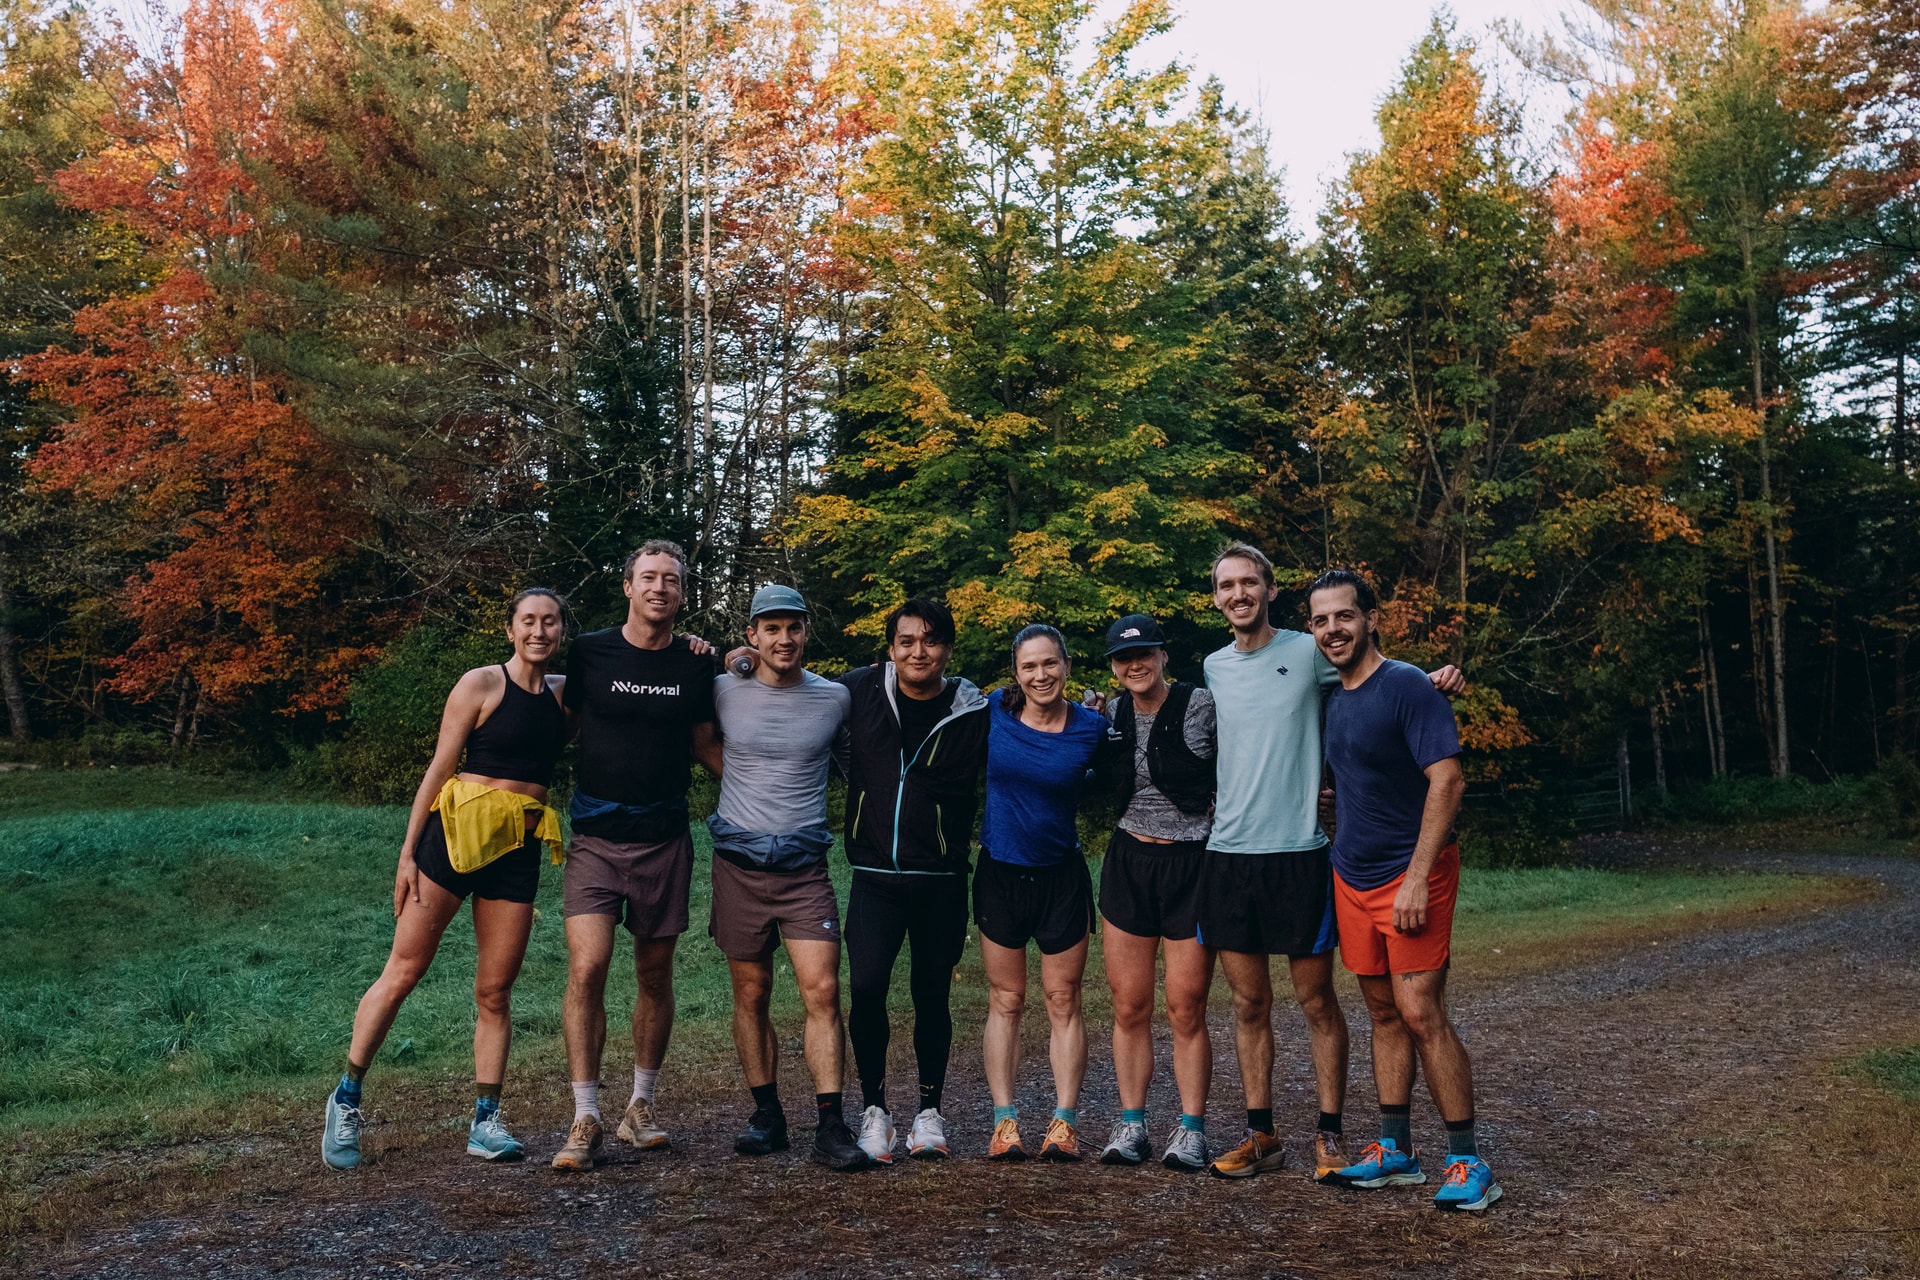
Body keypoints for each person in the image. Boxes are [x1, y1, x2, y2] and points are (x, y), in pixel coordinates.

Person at [1200, 542, 1464, 1182]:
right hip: (1230, 855)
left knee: (1322, 1002)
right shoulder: (1210, 667)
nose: (1239, 593)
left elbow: (1379, 679)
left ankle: (1331, 1135)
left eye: (1249, 582)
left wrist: (1437, 678)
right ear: (1216, 597)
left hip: (1303, 855)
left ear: (1268, 590)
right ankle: (1263, 1136)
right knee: (1248, 1004)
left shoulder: (1307, 650)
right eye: (1226, 585)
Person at [322, 588, 570, 1170]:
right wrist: (407, 855)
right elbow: (439, 769)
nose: (538, 631)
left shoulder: (565, 698)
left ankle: (485, 1122)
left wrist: (728, 657)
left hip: (519, 844)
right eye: (527, 621)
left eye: (549, 622)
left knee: (495, 991)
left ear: (561, 631)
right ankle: (347, 1096)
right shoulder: (480, 685)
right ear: (510, 630)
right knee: (405, 969)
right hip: (453, 837)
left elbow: (634, 677)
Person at [1308, 569, 1500, 1212]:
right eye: (1321, 620)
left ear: (1371, 619)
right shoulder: (1333, 699)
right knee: (1383, 1013)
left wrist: (1416, 878)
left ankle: (1468, 1160)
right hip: (1351, 876)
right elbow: (1356, 780)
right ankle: (1395, 1151)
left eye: (1344, 616)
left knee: (1420, 1013)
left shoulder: (1409, 687)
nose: (1333, 629)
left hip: (1413, 876)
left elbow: (1447, 782)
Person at [551, 541, 721, 1172]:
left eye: (671, 580)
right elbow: (557, 727)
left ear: (681, 593)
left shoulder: (695, 662)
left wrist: (768, 795)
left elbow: (707, 745)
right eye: (648, 577)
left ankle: (639, 1108)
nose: (659, 588)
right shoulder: (590, 651)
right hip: (595, 837)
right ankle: (585, 1113)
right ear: (627, 586)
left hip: (665, 840)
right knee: (589, 967)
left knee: (655, 976)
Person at [710, 585, 868, 1171]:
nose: (783, 639)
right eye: (770, 628)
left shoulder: (834, 699)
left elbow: (858, 767)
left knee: (823, 992)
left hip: (805, 871)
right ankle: (767, 1114)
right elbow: (700, 741)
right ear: (752, 634)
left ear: (807, 632)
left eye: (793, 627)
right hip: (739, 865)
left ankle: (831, 1124)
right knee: (751, 993)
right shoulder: (724, 689)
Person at [839, 599, 990, 1164]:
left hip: (941, 879)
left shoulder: (974, 708)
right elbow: (794, 686)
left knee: (932, 996)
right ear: (891, 648)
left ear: (947, 649)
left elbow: (1035, 726)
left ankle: (930, 1112)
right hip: (874, 878)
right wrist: (742, 660)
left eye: (929, 641)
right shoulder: (857, 690)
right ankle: (874, 1110)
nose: (917, 652)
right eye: (906, 641)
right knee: (867, 989)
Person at [976, 624, 1109, 1163]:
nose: (1040, 675)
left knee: (1063, 1000)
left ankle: (1064, 1122)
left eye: (1049, 663)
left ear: (1067, 666)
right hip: (1000, 872)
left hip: (1060, 876)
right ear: (1016, 672)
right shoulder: (991, 713)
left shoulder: (1093, 727)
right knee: (1006, 999)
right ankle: (1004, 1122)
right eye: (1029, 666)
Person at [1093, 614, 1217, 1171]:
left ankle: (1192, 1130)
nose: (1134, 665)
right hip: (1129, 861)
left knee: (1185, 1005)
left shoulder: (1200, 705)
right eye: (1123, 658)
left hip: (1192, 861)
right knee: (1130, 1004)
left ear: (1164, 656)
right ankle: (1133, 1124)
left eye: (1145, 654)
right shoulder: (1108, 715)